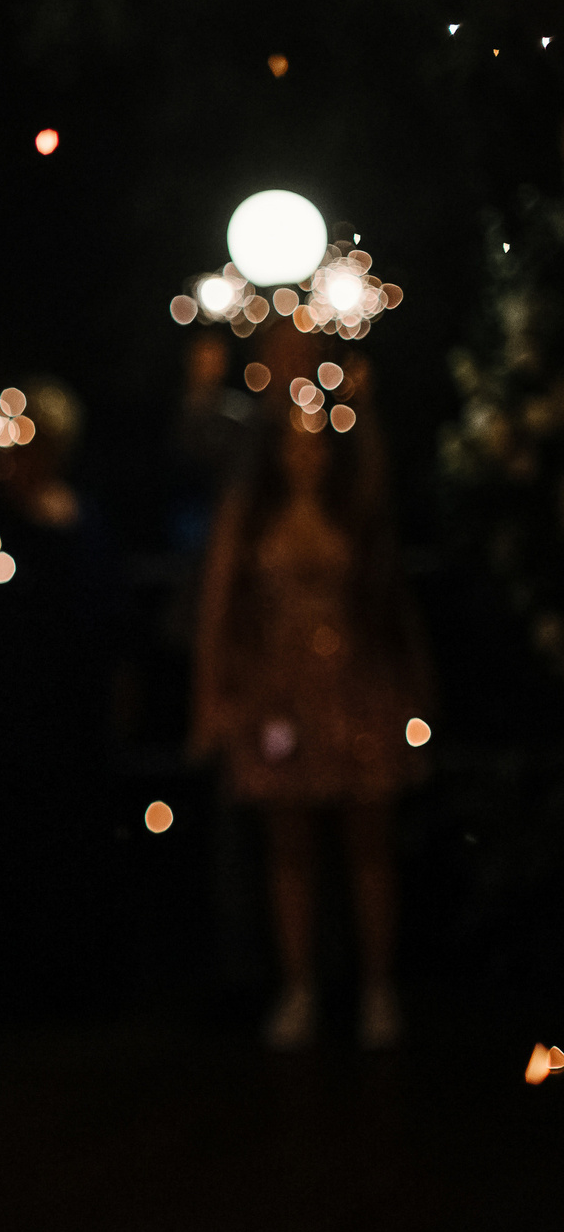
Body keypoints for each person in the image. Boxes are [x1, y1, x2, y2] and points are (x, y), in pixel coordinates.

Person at [192, 333, 430, 1051]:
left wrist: (365, 399)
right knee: (287, 844)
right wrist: (212, 693)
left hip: (356, 687)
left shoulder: (356, 500)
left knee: (368, 841)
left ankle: (377, 988)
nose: (305, 450)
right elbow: (218, 597)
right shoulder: (251, 505)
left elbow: (390, 587)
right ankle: (299, 987)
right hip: (279, 696)